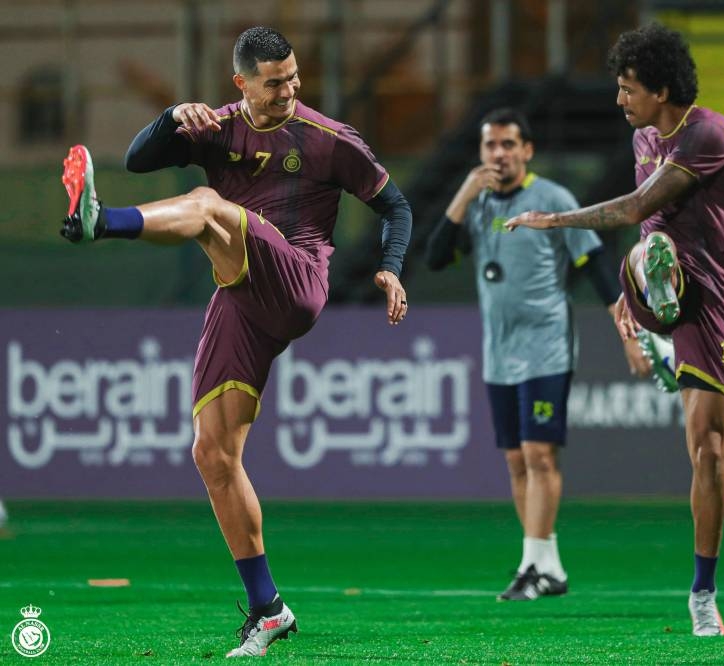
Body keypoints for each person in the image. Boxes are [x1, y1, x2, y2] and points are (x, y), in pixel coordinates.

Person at [59, 27, 412, 657]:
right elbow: (138, 160)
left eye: (293, 77)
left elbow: (398, 207)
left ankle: (101, 221)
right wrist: (172, 117)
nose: (289, 90)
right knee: (212, 454)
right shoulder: (217, 126)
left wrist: (391, 266)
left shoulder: (329, 138)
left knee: (207, 203)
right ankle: (268, 608)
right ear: (241, 83)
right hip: (241, 296)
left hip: (297, 279)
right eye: (274, 82)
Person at [506, 25, 724, 636]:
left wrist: (555, 219)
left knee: (708, 447)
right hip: (660, 277)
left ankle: (703, 591)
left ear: (661, 90)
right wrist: (629, 302)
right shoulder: (643, 136)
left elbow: (637, 206)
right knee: (653, 249)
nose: (619, 99)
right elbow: (647, 226)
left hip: (712, 301)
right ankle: (653, 312)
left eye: (628, 88)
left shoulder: (708, 134)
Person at [425, 107, 629, 601]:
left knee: (539, 454)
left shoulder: (553, 199)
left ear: (527, 150)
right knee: (516, 460)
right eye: (490, 145)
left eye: (508, 144)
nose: (499, 154)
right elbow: (435, 257)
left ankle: (531, 564)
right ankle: (546, 566)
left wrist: (625, 325)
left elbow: (594, 261)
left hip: (546, 347)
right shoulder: (477, 206)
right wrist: (464, 194)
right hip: (499, 352)